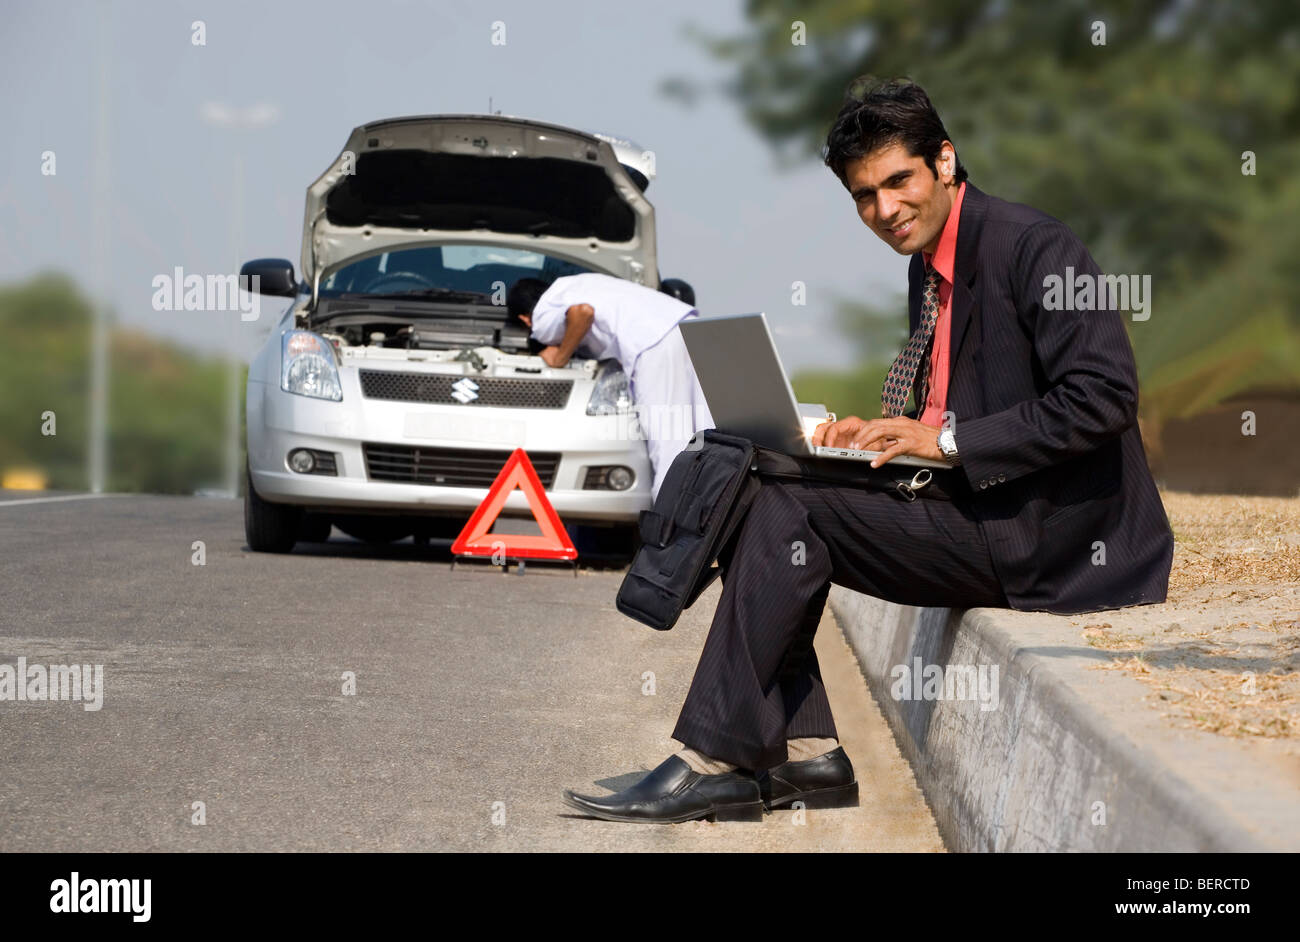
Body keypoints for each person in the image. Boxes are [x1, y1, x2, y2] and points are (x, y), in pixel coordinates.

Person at [561, 78, 1174, 824]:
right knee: (771, 476)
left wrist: (944, 438)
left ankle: (722, 759)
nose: (884, 211)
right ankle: (807, 751)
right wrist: (875, 435)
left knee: (788, 506)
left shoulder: (1036, 247)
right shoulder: (927, 264)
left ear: (945, 162)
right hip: (978, 506)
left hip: (1053, 538)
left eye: (898, 182)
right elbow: (952, 403)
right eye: (863, 195)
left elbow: (1105, 395)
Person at [507, 272, 713, 500]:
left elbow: (583, 312)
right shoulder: (574, 283)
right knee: (704, 434)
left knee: (668, 441)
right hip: (689, 327)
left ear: (524, 319)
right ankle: (710, 513)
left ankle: (667, 525)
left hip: (654, 343)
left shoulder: (542, 312)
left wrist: (560, 357)